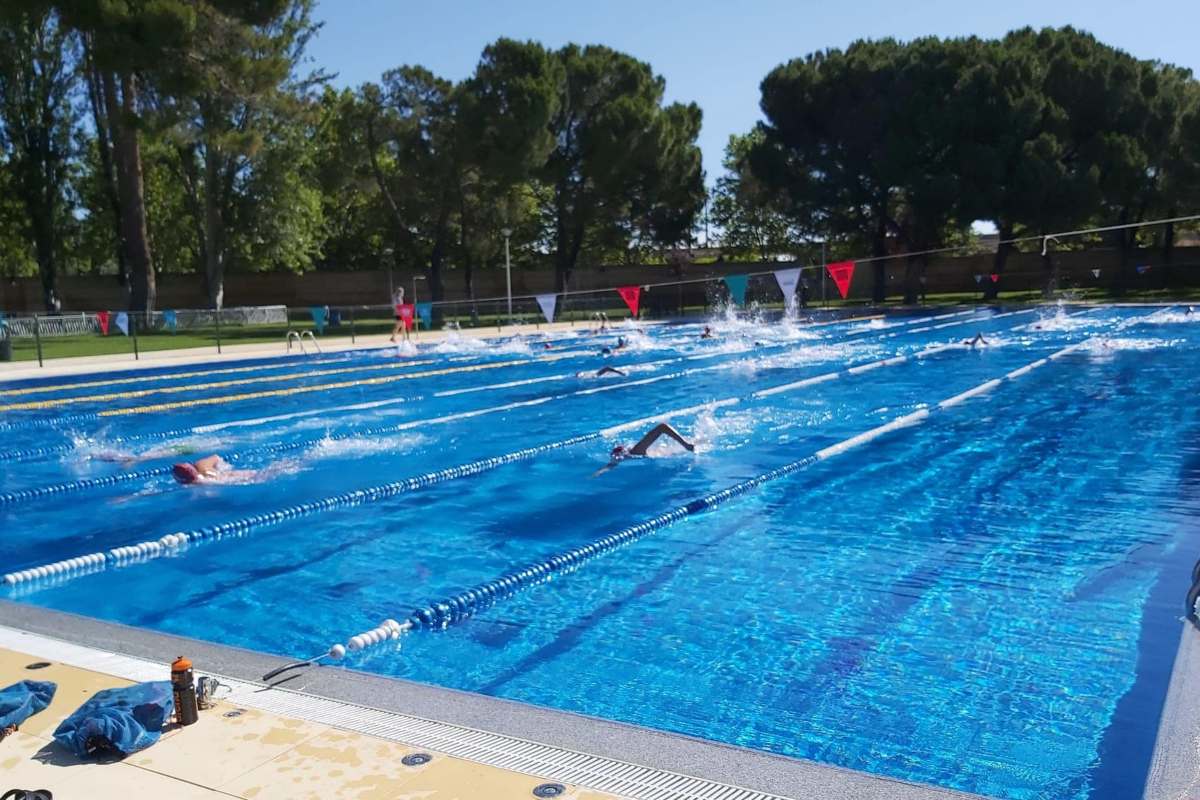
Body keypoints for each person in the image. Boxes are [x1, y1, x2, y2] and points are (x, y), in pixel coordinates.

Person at [593, 423, 695, 476]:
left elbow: (663, 427)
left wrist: (686, 445)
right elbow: (610, 465)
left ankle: (687, 444)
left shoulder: (636, 451)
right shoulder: (634, 452)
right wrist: (599, 472)